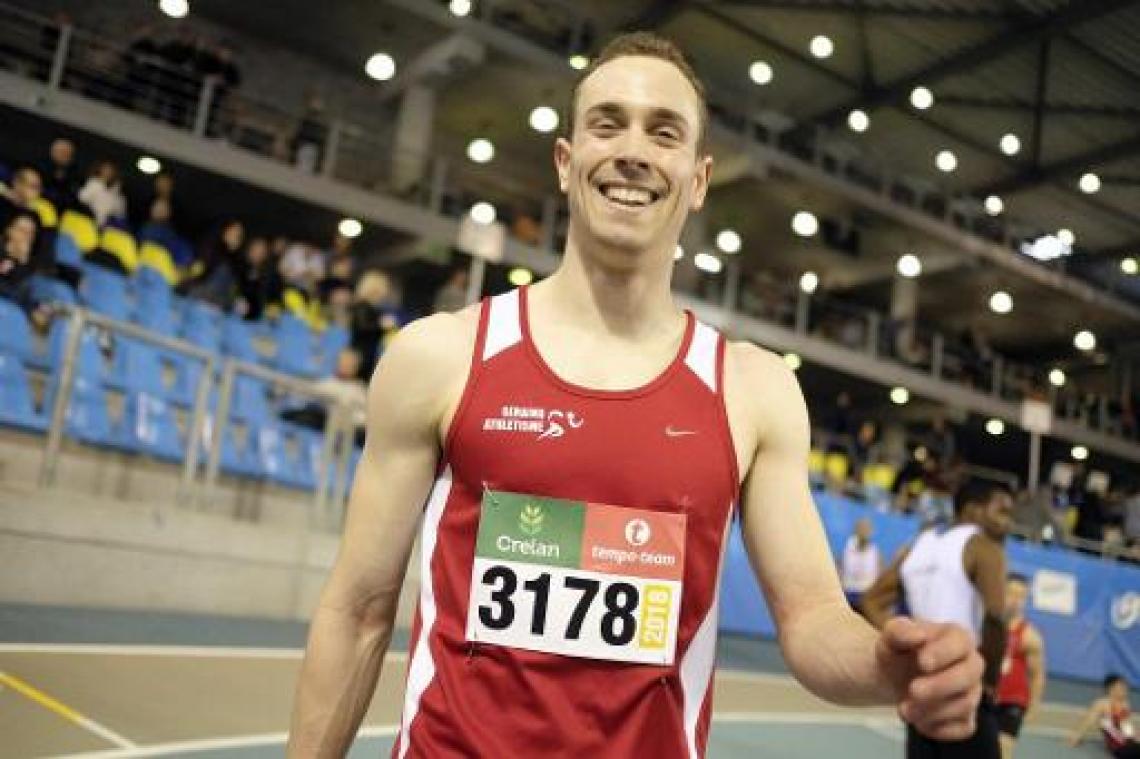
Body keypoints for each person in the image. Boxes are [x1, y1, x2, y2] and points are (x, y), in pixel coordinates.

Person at [286, 32, 985, 758]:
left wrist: (886, 665)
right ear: (566, 161)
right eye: (607, 123)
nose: (633, 151)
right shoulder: (442, 355)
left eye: (664, 132)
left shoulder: (753, 389)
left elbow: (811, 616)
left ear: (700, 177)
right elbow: (359, 610)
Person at [861, 479, 1012, 759]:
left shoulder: (919, 544)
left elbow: (870, 601)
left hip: (922, 685)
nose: (1008, 523)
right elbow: (996, 617)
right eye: (1001, 511)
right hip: (964, 685)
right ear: (973, 510)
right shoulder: (985, 547)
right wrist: (989, 682)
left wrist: (910, 641)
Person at [994, 573, 1045, 759]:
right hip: (985, 696)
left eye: (1021, 596)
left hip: (1012, 701)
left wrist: (1034, 705)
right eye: (1011, 593)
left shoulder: (1030, 635)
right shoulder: (986, 625)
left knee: (1003, 750)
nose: (1015, 600)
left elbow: (1037, 674)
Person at [1069, 675, 1140, 758]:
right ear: (1111, 689)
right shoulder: (1102, 704)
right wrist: (1077, 736)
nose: (1125, 689)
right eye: (1122, 687)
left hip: (1128, 742)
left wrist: (1135, 735)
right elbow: (1088, 721)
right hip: (1119, 746)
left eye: (1125, 687)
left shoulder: (1125, 704)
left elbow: (1126, 726)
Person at [840, 517, 882, 612]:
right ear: (856, 530)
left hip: (866, 595)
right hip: (848, 593)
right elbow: (840, 569)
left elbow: (880, 573)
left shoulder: (875, 552)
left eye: (867, 529)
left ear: (871, 531)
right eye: (862, 528)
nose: (864, 531)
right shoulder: (847, 549)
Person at [77, 160, 127, 227]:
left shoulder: (118, 196)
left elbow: (120, 216)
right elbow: (80, 199)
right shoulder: (93, 183)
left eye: (111, 170)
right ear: (100, 169)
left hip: (103, 229)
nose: (108, 172)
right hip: (84, 222)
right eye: (105, 169)